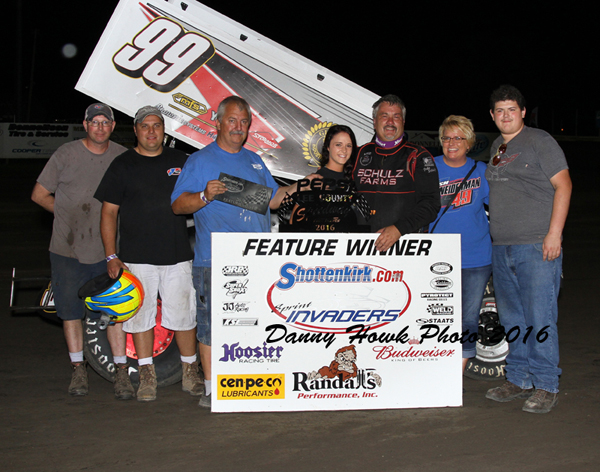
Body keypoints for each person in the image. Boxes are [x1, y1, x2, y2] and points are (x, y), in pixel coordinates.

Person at [171, 95, 316, 408]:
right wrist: (204, 195)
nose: (238, 127)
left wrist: (303, 185)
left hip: (257, 261)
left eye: (244, 122)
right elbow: (177, 205)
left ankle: (251, 384)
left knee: (255, 322)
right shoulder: (200, 160)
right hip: (214, 262)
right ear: (218, 122)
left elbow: (274, 199)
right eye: (232, 120)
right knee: (211, 326)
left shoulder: (253, 160)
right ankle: (211, 390)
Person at [95, 106, 203, 402]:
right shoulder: (122, 164)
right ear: (136, 129)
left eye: (157, 125)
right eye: (146, 126)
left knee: (184, 316)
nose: (152, 131)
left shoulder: (181, 161)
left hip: (177, 254)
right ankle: (146, 375)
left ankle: (190, 372)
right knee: (140, 318)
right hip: (136, 258)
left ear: (164, 130)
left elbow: (200, 196)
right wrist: (110, 256)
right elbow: (108, 213)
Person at [31, 103, 134, 399]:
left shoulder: (122, 157)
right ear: (85, 125)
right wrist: (65, 214)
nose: (100, 127)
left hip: (109, 251)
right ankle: (78, 369)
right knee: (70, 312)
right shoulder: (66, 154)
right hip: (68, 249)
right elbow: (39, 194)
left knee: (115, 312)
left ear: (113, 127)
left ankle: (121, 372)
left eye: (106, 122)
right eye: (95, 122)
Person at [485, 85, 572, 414]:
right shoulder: (497, 146)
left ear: (523, 112)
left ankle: (547, 384)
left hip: (536, 246)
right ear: (492, 116)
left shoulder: (539, 141)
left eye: (512, 109)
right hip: (502, 248)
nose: (506, 116)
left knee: (540, 317)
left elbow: (564, 185)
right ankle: (519, 378)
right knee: (513, 319)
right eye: (499, 111)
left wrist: (555, 234)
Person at [429, 115, 492, 372]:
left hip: (475, 257)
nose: (452, 142)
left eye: (458, 137)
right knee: (434, 316)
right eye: (447, 137)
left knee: (467, 318)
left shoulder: (481, 171)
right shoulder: (427, 168)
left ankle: (457, 372)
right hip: (434, 257)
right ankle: (433, 365)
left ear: (469, 143)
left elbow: (501, 208)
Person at [352, 94, 440, 252]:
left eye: (396, 117)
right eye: (384, 116)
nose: (390, 122)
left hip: (404, 246)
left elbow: (431, 204)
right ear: (374, 121)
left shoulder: (418, 156)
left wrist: (398, 229)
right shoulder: (358, 154)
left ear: (404, 122)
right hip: (360, 247)